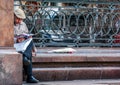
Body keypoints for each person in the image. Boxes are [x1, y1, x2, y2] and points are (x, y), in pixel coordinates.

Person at [14, 8, 39, 83]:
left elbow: (27, 36)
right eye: (18, 18)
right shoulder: (7, 24)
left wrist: (33, 49)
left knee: (30, 40)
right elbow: (4, 39)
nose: (19, 21)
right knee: (28, 56)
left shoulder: (23, 24)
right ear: (13, 16)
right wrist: (16, 40)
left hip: (23, 46)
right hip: (14, 46)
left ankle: (24, 57)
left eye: (21, 19)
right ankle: (30, 76)